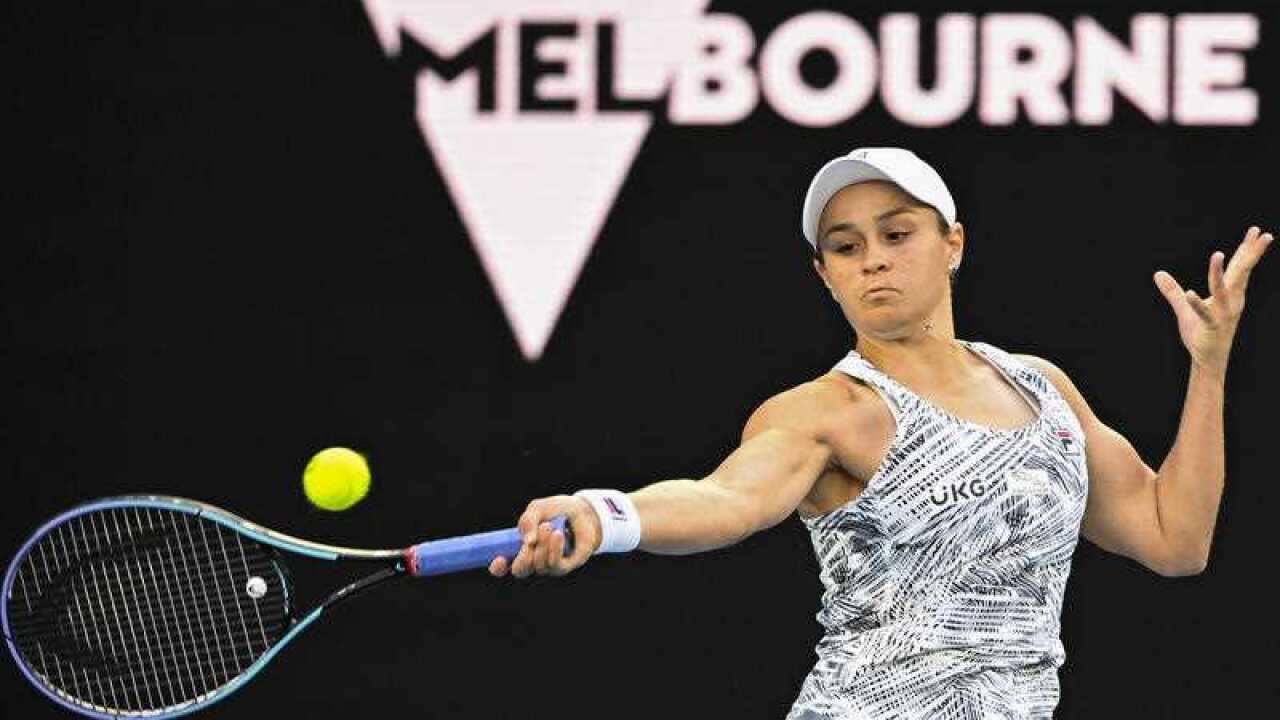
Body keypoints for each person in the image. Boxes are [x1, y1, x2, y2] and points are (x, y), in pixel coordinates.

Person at [487, 147, 1273, 718]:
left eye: (897, 235)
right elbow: (725, 498)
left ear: (952, 245)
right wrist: (607, 513)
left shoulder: (1042, 388)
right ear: (824, 274)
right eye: (846, 247)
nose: (873, 262)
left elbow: (1176, 540)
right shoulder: (828, 411)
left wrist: (1209, 368)